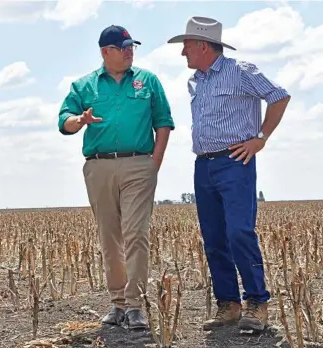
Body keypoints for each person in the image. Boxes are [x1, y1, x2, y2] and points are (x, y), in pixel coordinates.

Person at [166, 16, 291, 332]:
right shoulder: (197, 80)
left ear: (203, 46)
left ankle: (256, 303)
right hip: (203, 165)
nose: (183, 54)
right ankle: (229, 305)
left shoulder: (241, 71)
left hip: (235, 163)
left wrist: (260, 139)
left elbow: (279, 96)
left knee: (239, 232)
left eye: (187, 47)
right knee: (214, 238)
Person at [58, 24, 175, 330]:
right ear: (105, 52)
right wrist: (79, 120)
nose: (129, 52)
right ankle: (118, 304)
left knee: (136, 233)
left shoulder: (148, 81)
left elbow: (164, 122)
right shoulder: (84, 86)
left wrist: (154, 163)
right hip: (99, 166)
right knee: (110, 237)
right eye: (123, 48)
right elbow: (64, 122)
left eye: (131, 47)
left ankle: (136, 305)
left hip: (139, 164)